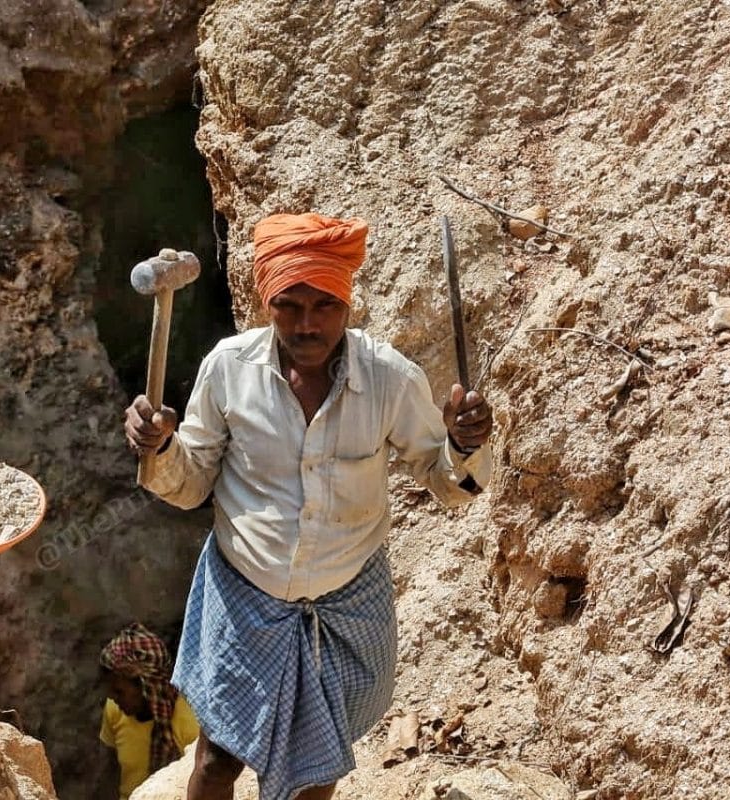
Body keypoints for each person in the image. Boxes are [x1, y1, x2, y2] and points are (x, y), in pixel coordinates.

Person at [123, 212, 494, 800]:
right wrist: (162, 447)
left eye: (324, 306)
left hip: (345, 602)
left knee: (317, 773)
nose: (306, 324)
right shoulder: (228, 369)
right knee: (218, 759)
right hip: (245, 594)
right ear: (265, 302)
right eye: (289, 306)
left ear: (347, 305)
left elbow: (449, 486)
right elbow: (190, 485)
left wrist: (464, 445)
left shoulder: (390, 380)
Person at [97, 623, 201, 799]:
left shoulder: (191, 721)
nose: (112, 698)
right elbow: (111, 771)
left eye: (119, 691)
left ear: (146, 686)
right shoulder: (114, 711)